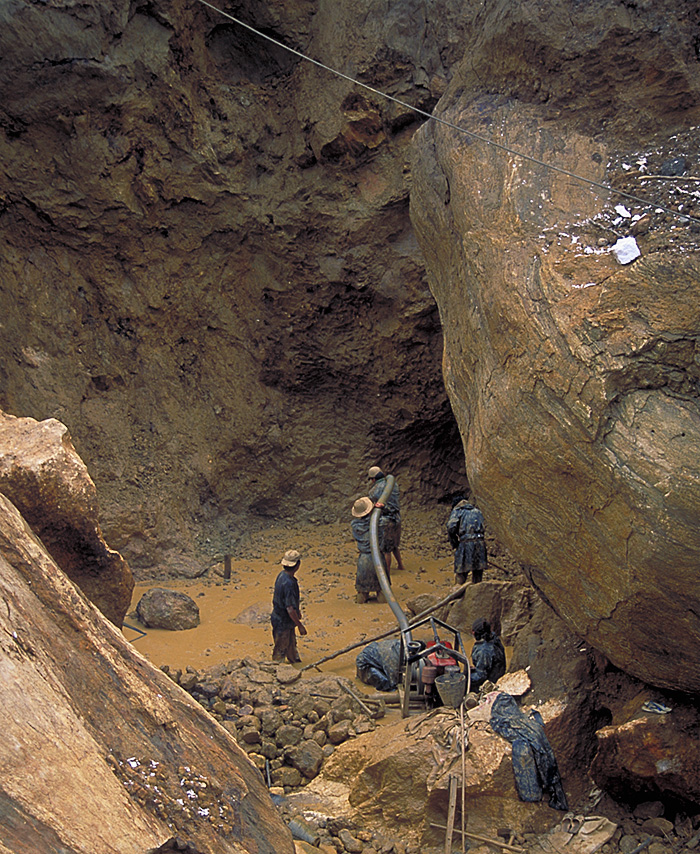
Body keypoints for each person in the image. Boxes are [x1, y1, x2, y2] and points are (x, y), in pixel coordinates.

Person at [270, 549, 307, 663]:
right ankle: (276, 671)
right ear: (297, 565)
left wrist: (297, 612)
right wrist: (300, 625)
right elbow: (290, 609)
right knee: (280, 649)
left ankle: (295, 663)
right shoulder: (289, 584)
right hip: (283, 621)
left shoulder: (282, 576)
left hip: (282, 619)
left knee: (291, 645)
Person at [367, 465, 406, 571]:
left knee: (386, 549)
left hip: (386, 520)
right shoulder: (394, 484)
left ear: (373, 479)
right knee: (394, 545)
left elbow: (370, 504)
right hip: (397, 518)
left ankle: (386, 572)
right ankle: (400, 565)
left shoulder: (374, 491)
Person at [351, 496, 388, 604]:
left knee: (362, 590)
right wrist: (382, 509)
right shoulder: (379, 523)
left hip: (364, 558)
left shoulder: (355, 525)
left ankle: (362, 599)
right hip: (378, 557)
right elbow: (386, 520)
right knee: (381, 589)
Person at [446, 495, 487, 584]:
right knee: (478, 573)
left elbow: (451, 528)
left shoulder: (457, 511)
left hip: (466, 544)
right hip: (480, 544)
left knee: (461, 573)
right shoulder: (478, 511)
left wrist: (455, 543)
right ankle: (478, 593)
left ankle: (458, 593)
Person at [470, 618, 506, 690]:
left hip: (491, 680)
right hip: (497, 670)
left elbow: (481, 676)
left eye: (473, 632)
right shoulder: (493, 636)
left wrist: (466, 677)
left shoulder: (483, 650)